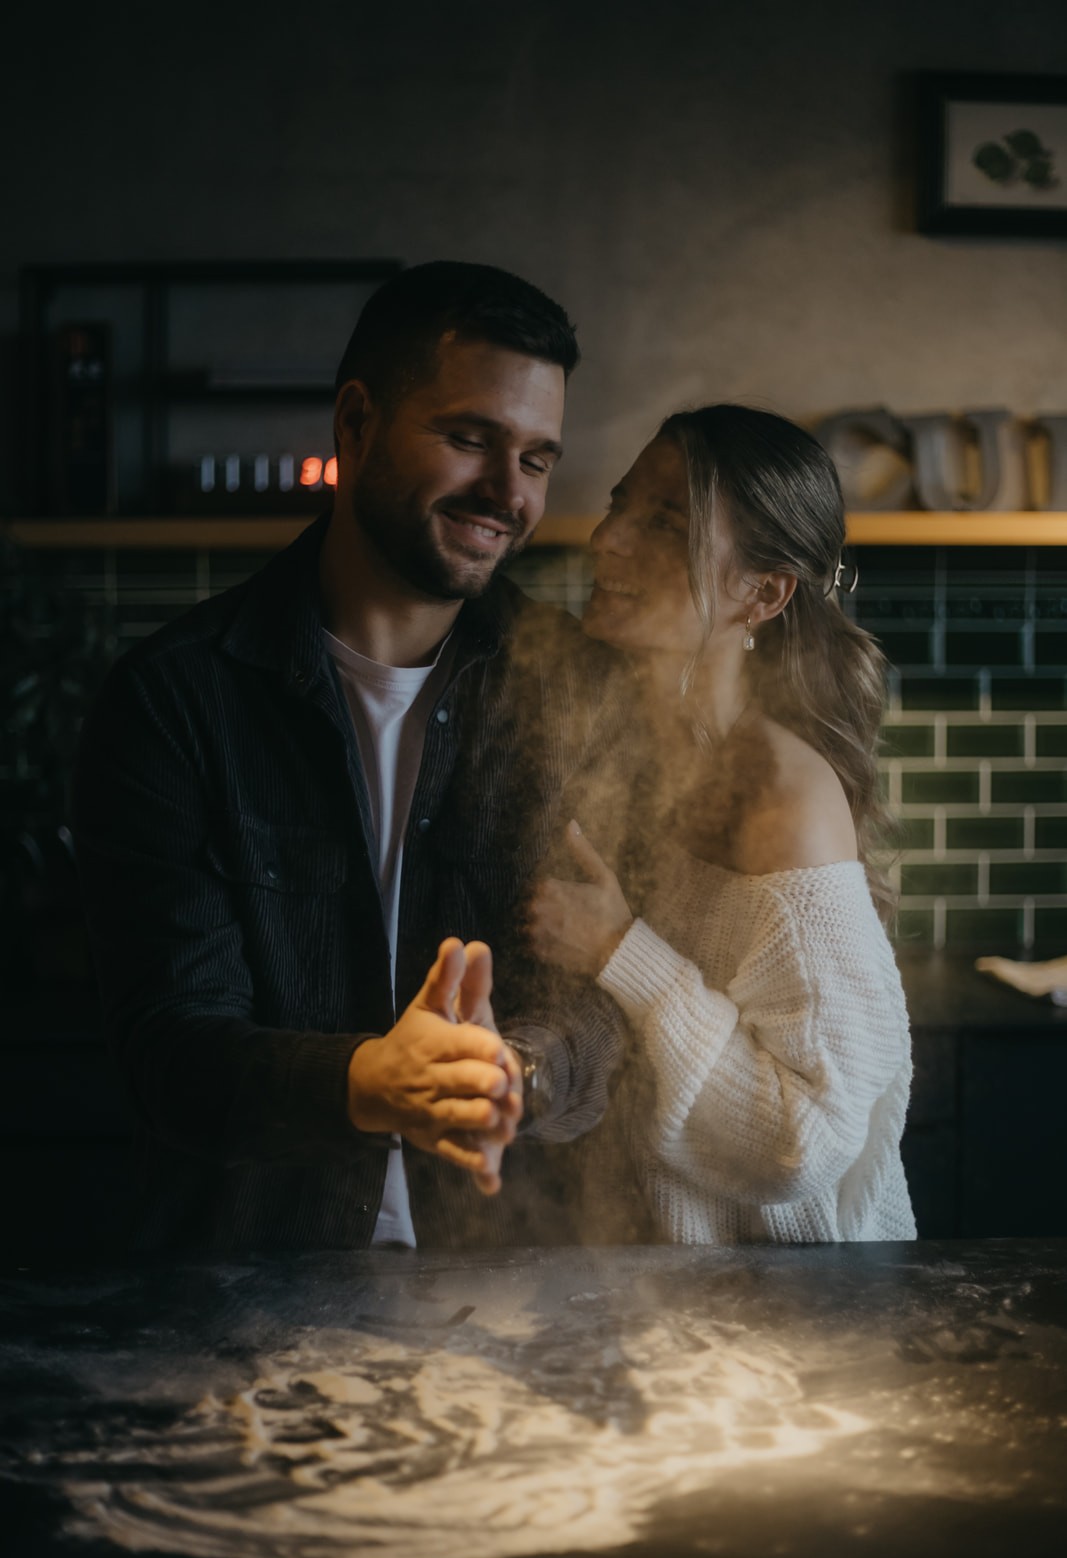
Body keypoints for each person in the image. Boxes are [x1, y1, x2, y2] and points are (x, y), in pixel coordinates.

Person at [72, 261, 631, 1254]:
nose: (506, 493)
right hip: (245, 1289)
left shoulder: (575, 693)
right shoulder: (173, 701)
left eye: (537, 460)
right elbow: (171, 1054)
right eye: (468, 439)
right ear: (355, 424)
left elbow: (596, 1008)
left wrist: (516, 1068)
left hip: (509, 1287)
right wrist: (373, 1082)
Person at [527, 404, 917, 1245]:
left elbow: (799, 1142)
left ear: (763, 593)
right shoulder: (639, 748)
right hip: (682, 1298)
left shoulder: (785, 798)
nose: (609, 540)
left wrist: (616, 950)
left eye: (665, 523)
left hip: (808, 1314)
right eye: (621, 506)